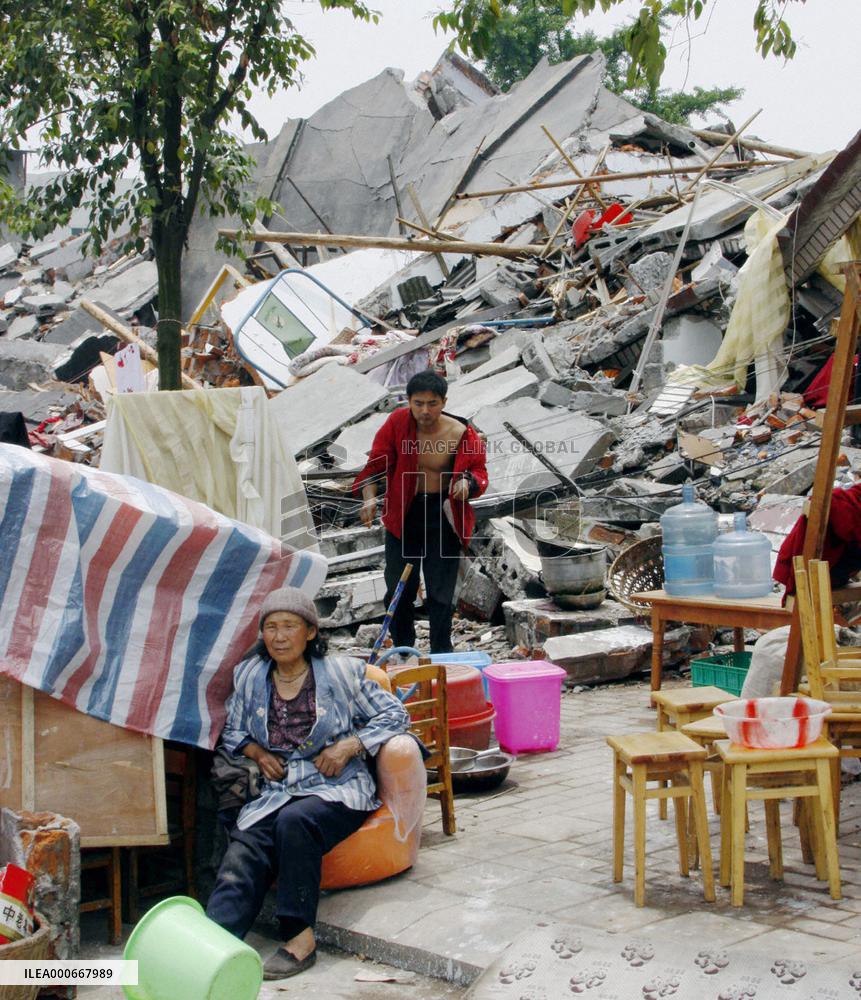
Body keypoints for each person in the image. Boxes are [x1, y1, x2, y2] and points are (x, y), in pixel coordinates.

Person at [205, 587, 410, 980]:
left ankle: (300, 939)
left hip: (338, 790)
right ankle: (216, 942)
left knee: (295, 823)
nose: (279, 637)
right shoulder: (250, 676)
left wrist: (350, 745)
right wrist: (257, 754)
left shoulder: (341, 672)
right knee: (247, 843)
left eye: (289, 627)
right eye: (270, 628)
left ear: (311, 632)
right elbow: (232, 730)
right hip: (279, 791)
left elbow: (395, 715)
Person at [352, 369, 489, 654]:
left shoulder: (461, 432)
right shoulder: (397, 424)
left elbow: (478, 470)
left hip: (442, 517)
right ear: (408, 401)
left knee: (441, 592)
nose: (425, 411)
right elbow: (375, 466)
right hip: (404, 514)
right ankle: (403, 649)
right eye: (418, 404)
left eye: (432, 403)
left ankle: (441, 653)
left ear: (444, 402)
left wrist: (467, 482)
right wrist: (369, 498)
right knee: (399, 588)